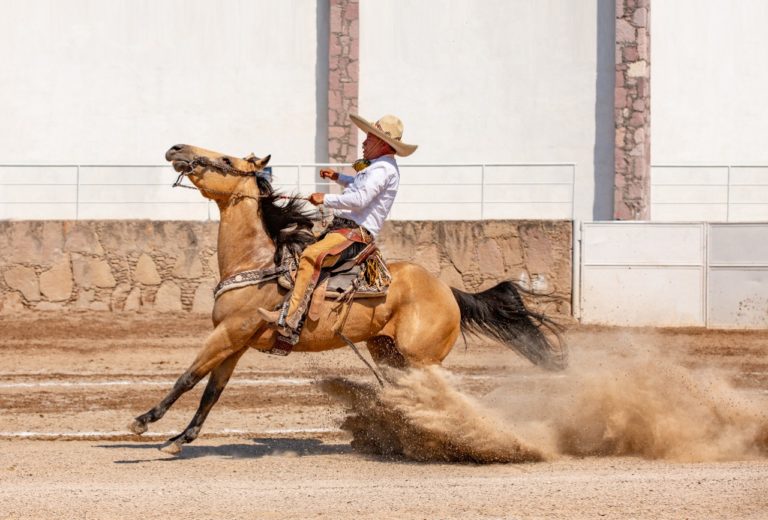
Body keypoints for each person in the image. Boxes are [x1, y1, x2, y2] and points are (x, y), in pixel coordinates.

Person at [258, 113, 417, 337]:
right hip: (344, 229)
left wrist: (326, 198)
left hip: (353, 234)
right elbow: (360, 185)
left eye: (369, 138)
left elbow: (360, 199)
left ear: (382, 143)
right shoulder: (378, 167)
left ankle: (290, 317)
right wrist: (338, 178)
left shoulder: (382, 169)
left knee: (311, 256)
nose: (364, 142)